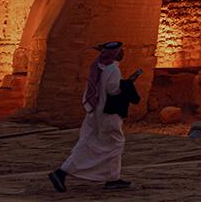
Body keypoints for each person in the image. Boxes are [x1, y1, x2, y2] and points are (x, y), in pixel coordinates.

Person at [49, 41, 142, 192]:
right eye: (121, 51)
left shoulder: (98, 66)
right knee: (115, 144)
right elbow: (113, 90)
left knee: (88, 143)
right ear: (116, 54)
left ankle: (112, 178)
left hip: (95, 112)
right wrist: (127, 85)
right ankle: (64, 172)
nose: (123, 53)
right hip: (107, 114)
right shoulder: (113, 69)